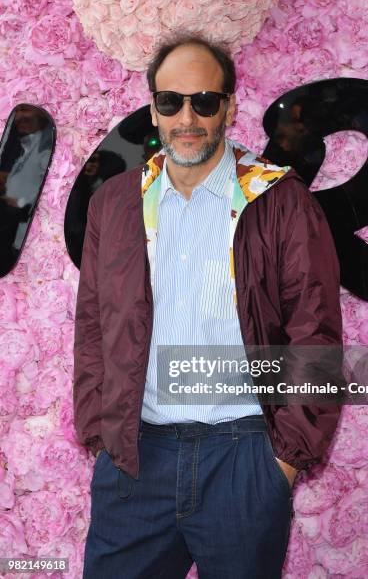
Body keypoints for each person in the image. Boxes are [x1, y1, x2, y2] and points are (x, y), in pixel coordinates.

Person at [73, 33, 343, 579]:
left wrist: (283, 463)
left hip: (243, 457)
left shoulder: (279, 200)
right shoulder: (116, 202)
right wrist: (102, 436)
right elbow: (93, 324)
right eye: (172, 101)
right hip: (135, 458)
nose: (187, 117)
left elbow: (315, 335)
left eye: (205, 100)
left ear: (230, 106)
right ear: (153, 108)